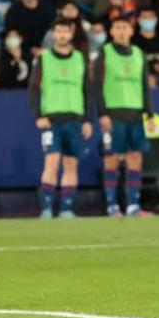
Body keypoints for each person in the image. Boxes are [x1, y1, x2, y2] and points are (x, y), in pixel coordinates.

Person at [29, 17, 93, 218]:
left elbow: (87, 90)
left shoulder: (80, 59)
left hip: (74, 117)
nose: (62, 35)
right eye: (58, 31)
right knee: (52, 161)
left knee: (71, 164)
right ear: (53, 34)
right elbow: (34, 88)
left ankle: (66, 209)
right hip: (52, 118)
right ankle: (46, 209)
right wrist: (38, 115)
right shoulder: (44, 59)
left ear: (71, 33)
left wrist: (88, 119)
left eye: (66, 31)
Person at [91, 17, 152, 217]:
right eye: (117, 27)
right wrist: (102, 113)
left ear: (131, 31)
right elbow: (97, 86)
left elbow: (144, 86)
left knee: (135, 157)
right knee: (112, 159)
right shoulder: (105, 53)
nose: (121, 31)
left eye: (125, 27)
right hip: (114, 113)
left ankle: (133, 205)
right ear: (112, 32)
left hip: (135, 112)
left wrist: (149, 113)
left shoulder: (139, 54)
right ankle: (112, 205)